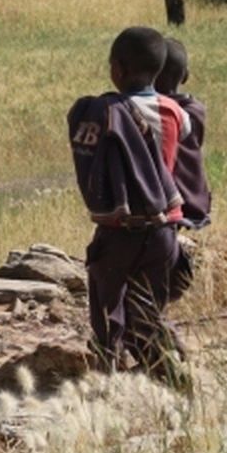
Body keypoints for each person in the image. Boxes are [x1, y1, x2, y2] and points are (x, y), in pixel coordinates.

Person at [68, 26, 192, 390]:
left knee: (107, 314)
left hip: (118, 232)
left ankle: (108, 383)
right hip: (163, 230)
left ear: (117, 69)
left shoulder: (102, 111)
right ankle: (169, 372)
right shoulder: (175, 112)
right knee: (147, 310)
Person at [155, 38, 212, 230]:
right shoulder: (195, 110)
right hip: (196, 202)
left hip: (166, 207)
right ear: (185, 75)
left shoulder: (151, 112)